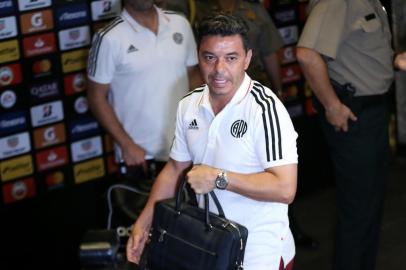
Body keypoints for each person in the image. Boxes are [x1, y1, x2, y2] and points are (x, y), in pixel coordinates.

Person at [127, 14, 298, 270]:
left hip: (260, 253)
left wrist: (219, 178)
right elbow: (175, 169)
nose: (219, 69)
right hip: (209, 244)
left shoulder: (265, 109)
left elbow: (285, 188)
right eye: (210, 58)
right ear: (198, 57)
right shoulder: (189, 106)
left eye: (231, 58)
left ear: (247, 59)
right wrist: (143, 222)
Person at [296, 0, 406, 269]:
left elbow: (356, 50)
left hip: (373, 112)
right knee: (358, 212)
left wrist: (395, 60)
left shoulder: (369, 2)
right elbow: (307, 54)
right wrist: (332, 106)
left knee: (369, 207)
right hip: (356, 116)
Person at [87, 0, 201, 187]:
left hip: (184, 148)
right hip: (140, 157)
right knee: (145, 215)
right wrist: (126, 145)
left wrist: (199, 127)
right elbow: (96, 97)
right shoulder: (108, 37)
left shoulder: (180, 23)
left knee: (189, 215)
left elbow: (193, 75)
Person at [194, 0, 284, 95]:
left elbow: (269, 53)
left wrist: (279, 91)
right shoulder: (197, 8)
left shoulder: (253, 7)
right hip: (213, 86)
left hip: (253, 82)